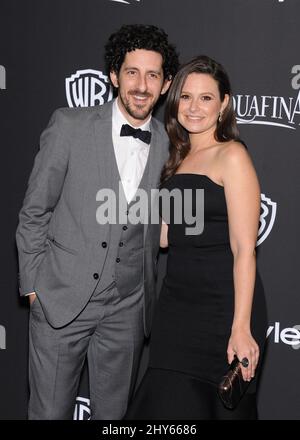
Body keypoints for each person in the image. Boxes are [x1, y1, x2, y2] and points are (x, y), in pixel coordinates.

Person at [15, 24, 178, 420]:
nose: (141, 85)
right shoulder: (69, 126)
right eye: (132, 72)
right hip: (60, 300)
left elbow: (162, 224)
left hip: (127, 308)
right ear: (113, 75)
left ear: (166, 83)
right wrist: (34, 287)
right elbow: (34, 211)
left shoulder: (168, 145)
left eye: (153, 75)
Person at [125, 55, 268, 420]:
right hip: (176, 309)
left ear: (224, 104)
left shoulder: (232, 155)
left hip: (225, 311)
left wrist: (241, 328)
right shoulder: (176, 157)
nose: (194, 107)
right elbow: (165, 239)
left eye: (206, 98)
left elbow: (243, 250)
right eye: (186, 97)